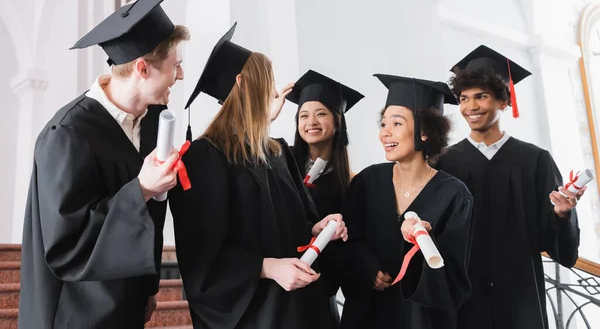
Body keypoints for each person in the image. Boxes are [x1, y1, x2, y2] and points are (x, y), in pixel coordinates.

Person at [18, 0, 190, 329]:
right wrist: (139, 188)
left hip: (125, 307)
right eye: (176, 66)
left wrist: (147, 287)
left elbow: (150, 218)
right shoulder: (67, 134)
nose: (180, 76)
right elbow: (66, 245)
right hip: (74, 315)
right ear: (142, 68)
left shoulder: (153, 121)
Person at [168, 23, 348, 329]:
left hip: (302, 308)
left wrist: (316, 228)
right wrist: (267, 268)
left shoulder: (276, 152)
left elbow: (294, 224)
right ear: (242, 82)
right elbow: (201, 254)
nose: (273, 91)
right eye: (268, 81)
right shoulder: (205, 157)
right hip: (257, 314)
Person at [436, 45, 584, 329]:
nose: (471, 107)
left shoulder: (534, 160)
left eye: (482, 96)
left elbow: (552, 241)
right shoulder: (446, 161)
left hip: (519, 289)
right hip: (466, 289)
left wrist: (562, 215)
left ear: (504, 102)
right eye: (464, 98)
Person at [340, 75, 474, 329]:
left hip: (422, 320)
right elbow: (349, 241)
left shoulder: (454, 196)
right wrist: (368, 269)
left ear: (424, 133)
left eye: (396, 123)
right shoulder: (368, 182)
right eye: (383, 124)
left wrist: (424, 243)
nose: (385, 133)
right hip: (367, 316)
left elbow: (454, 280)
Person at [286, 69, 364, 327]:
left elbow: (350, 245)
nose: (311, 122)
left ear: (337, 121)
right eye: (304, 115)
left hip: (319, 290)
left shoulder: (350, 183)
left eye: (321, 114)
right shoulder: (281, 165)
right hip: (280, 285)